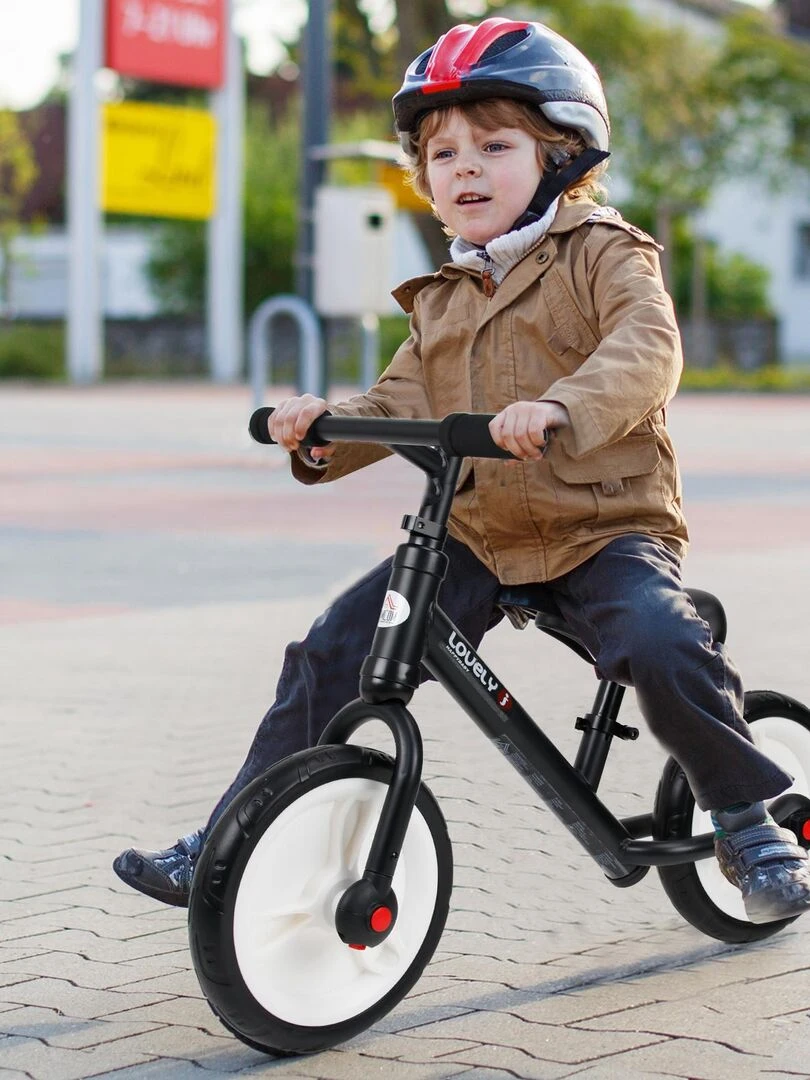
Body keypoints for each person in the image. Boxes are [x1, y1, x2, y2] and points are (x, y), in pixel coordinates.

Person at [114, 18, 810, 924]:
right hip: (478, 538)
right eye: (443, 154)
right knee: (331, 649)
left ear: (561, 156)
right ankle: (229, 836)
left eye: (494, 145)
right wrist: (321, 429)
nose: (465, 168)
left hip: (602, 529)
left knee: (657, 639)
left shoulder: (604, 254)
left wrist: (560, 408)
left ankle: (747, 818)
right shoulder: (440, 300)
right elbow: (397, 404)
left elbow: (647, 350)